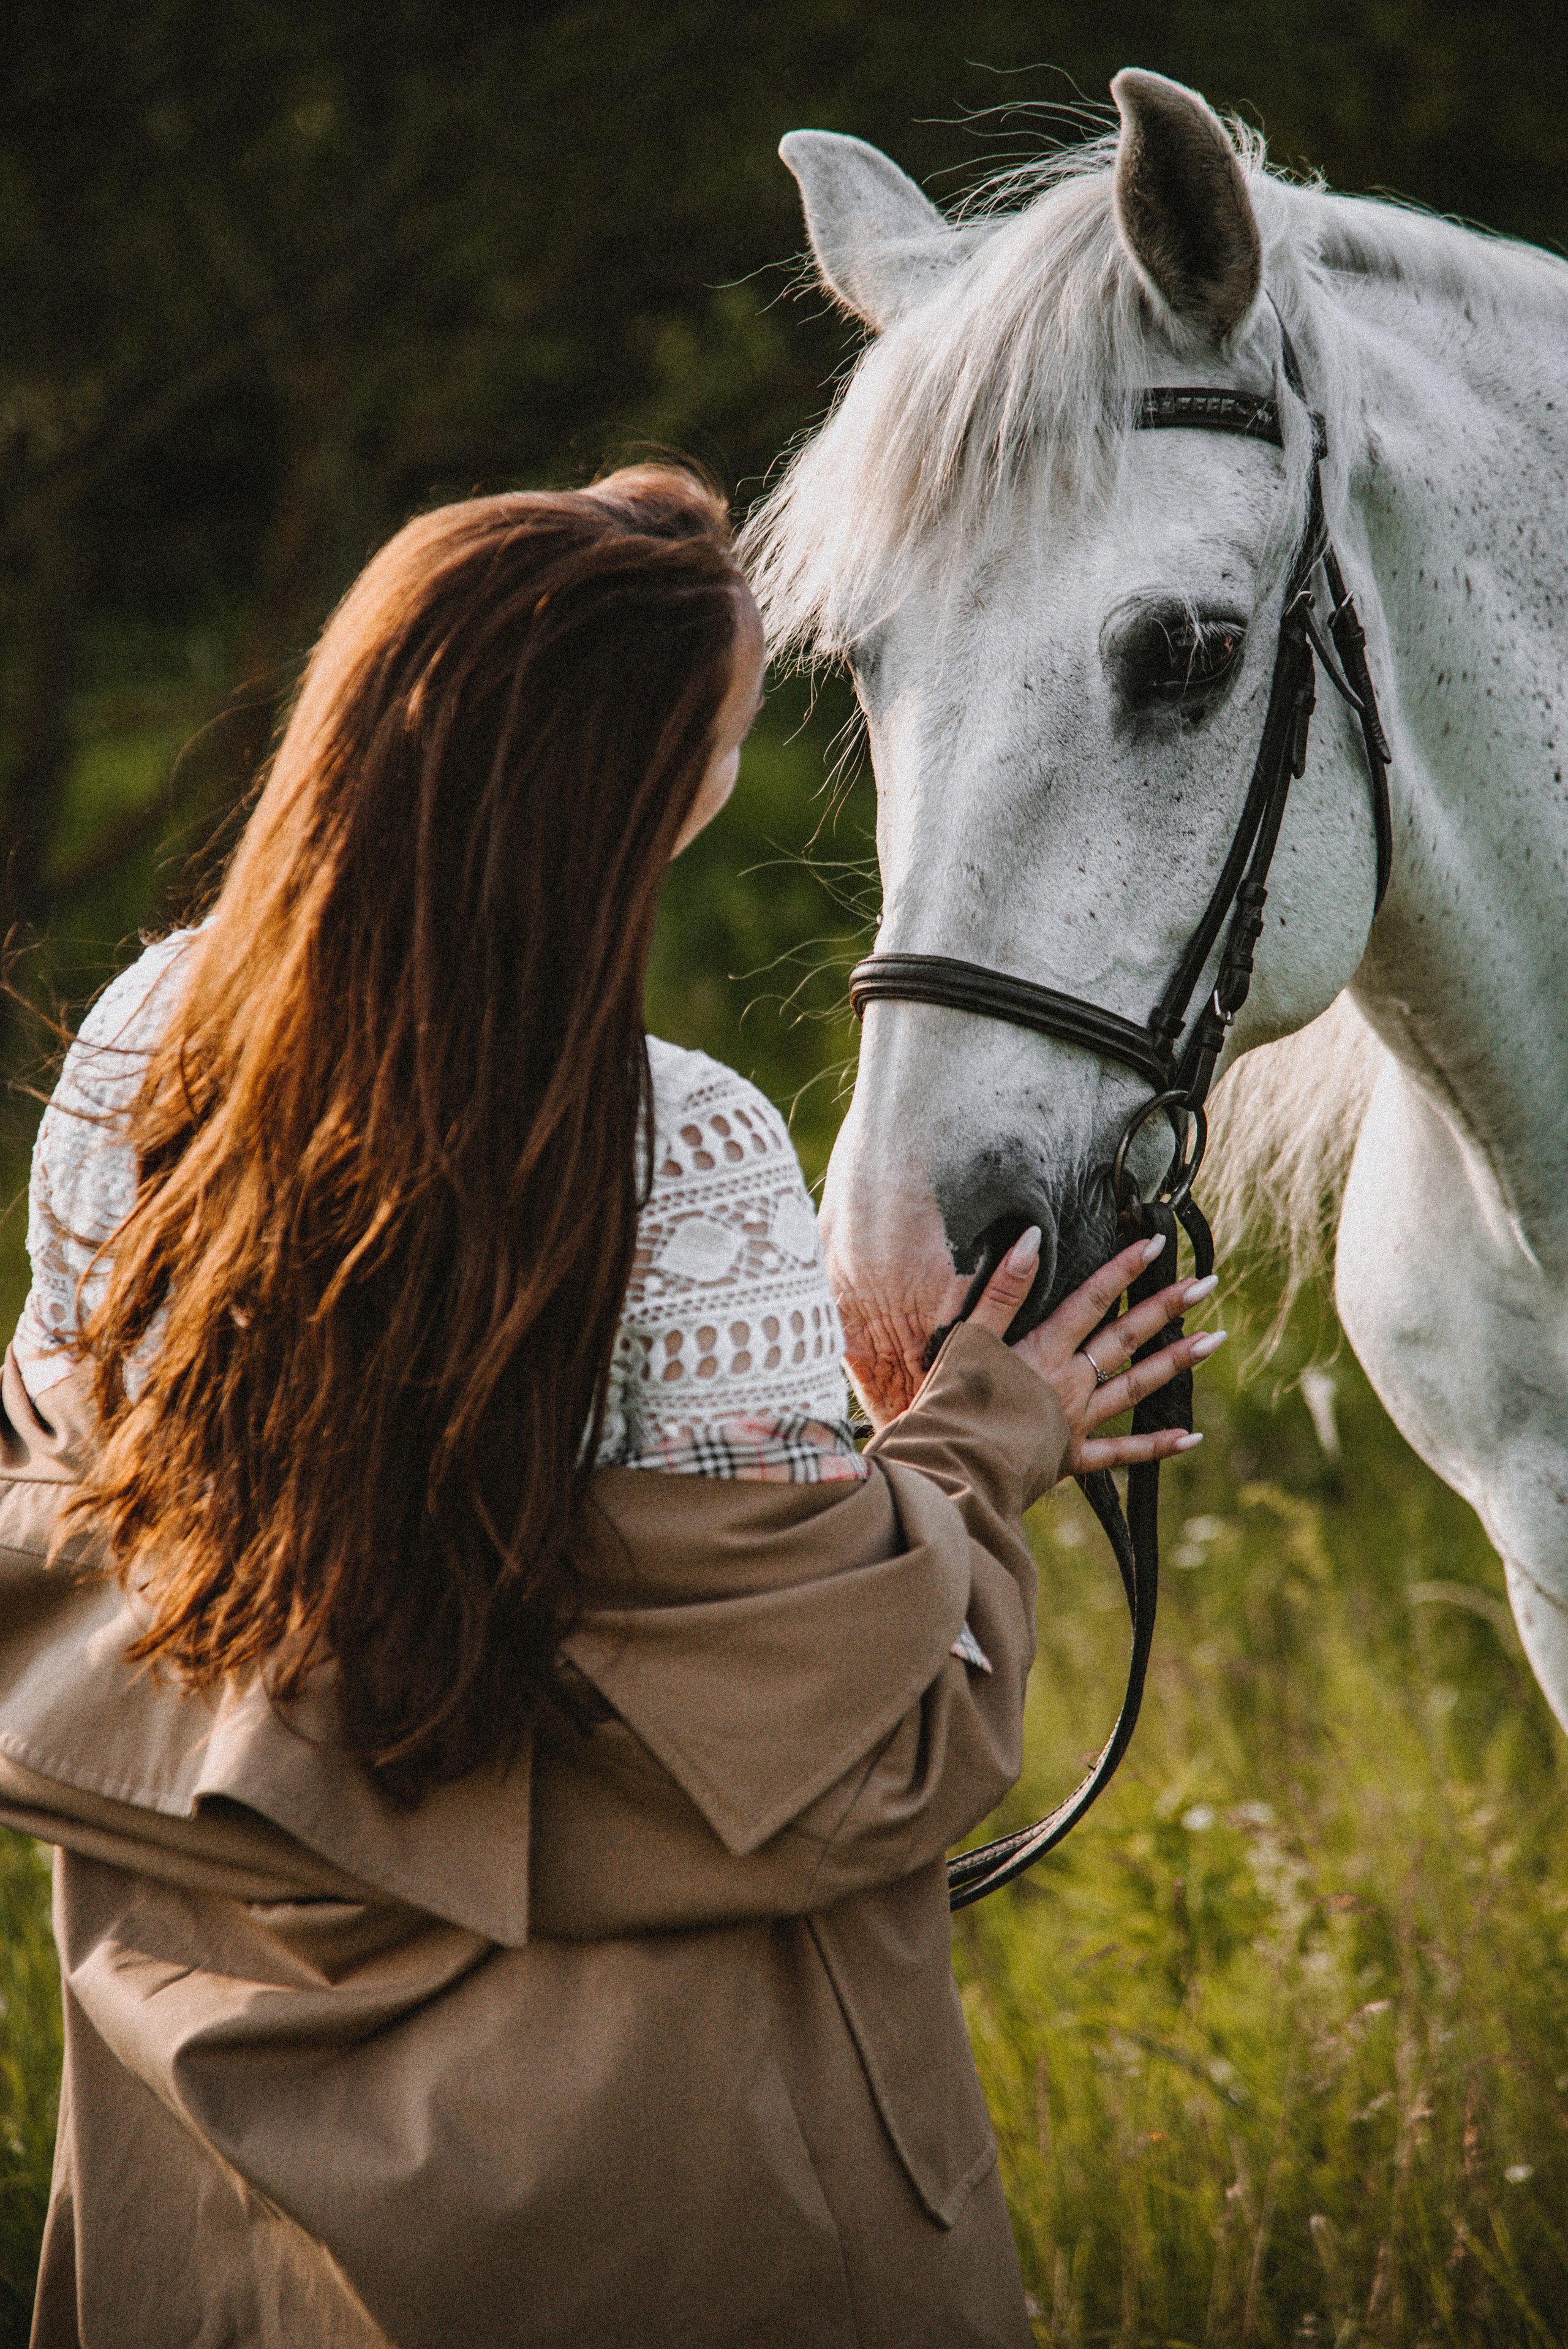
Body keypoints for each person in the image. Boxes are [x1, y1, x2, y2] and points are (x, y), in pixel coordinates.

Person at [0, 466, 1219, 2348]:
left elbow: (105, 1528)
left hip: (208, 2172)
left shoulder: (129, 1050)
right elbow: (856, 1732)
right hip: (659, 2204)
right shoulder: (683, 1153)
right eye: (726, 732)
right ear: (644, 796)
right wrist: (992, 1434)